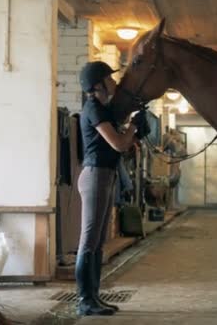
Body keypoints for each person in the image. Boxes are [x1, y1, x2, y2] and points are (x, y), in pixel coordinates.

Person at [76, 61, 146, 316]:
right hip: (95, 175)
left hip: (105, 175)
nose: (114, 82)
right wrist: (133, 127)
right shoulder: (94, 109)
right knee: (89, 241)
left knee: (97, 242)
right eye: (110, 79)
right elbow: (118, 144)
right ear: (98, 85)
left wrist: (133, 131)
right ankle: (85, 300)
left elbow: (123, 144)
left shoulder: (102, 108)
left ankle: (93, 297)